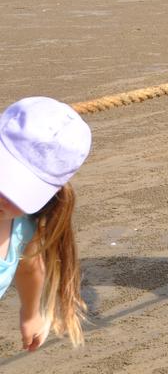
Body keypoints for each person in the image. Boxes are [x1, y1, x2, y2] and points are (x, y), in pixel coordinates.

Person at [0, 97, 91, 351]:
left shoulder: (23, 227)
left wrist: (30, 313)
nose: (4, 196)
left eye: (19, 189)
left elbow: (30, 268)